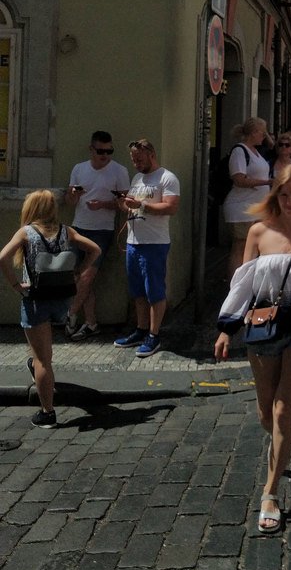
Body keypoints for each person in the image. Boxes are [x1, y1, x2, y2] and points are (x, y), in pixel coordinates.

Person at [214, 166, 291, 535]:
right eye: (283, 195)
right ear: (275, 197)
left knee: (284, 411)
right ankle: (281, 448)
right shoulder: (258, 232)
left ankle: (269, 494)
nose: (289, 202)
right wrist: (226, 328)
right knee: (266, 413)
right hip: (264, 328)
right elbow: (242, 285)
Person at [0, 190, 101, 427]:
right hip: (62, 299)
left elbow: (2, 258)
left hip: (36, 300)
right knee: (43, 354)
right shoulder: (66, 231)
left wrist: (15, 285)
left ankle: (47, 413)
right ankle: (36, 368)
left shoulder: (27, 232)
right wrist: (79, 271)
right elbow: (95, 249)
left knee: (43, 360)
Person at [114, 139, 180, 357]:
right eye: (133, 160)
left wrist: (141, 205)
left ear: (151, 154)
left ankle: (154, 334)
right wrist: (125, 203)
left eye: (139, 159)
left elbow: (171, 207)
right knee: (138, 291)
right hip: (133, 241)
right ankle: (141, 329)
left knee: (154, 291)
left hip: (154, 243)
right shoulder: (137, 178)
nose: (136, 164)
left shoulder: (167, 178)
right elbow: (131, 204)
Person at [64, 130, 130, 340]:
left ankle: (70, 313)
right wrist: (73, 195)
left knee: (87, 275)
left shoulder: (119, 171)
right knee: (79, 277)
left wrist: (103, 204)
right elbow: (70, 201)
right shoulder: (79, 169)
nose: (105, 155)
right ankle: (91, 323)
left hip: (102, 230)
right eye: (101, 151)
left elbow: (124, 205)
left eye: (109, 151)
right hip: (78, 227)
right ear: (91, 149)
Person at [223, 118, 274, 281]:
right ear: (253, 133)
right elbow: (239, 179)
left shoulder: (256, 151)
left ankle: (248, 281)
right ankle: (235, 284)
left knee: (255, 246)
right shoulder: (240, 151)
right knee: (240, 246)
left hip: (257, 207)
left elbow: (272, 146)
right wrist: (266, 182)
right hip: (242, 208)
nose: (264, 136)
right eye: (262, 132)